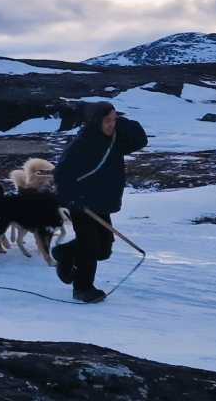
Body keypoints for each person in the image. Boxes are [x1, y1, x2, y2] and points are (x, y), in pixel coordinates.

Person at [52, 102, 147, 303]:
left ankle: (64, 252)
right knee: (89, 246)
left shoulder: (116, 139)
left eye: (114, 119)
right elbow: (61, 174)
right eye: (108, 121)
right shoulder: (83, 143)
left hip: (101, 202)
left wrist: (122, 123)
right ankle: (83, 288)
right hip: (82, 203)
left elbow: (140, 140)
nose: (112, 124)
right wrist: (73, 198)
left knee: (103, 250)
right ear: (96, 121)